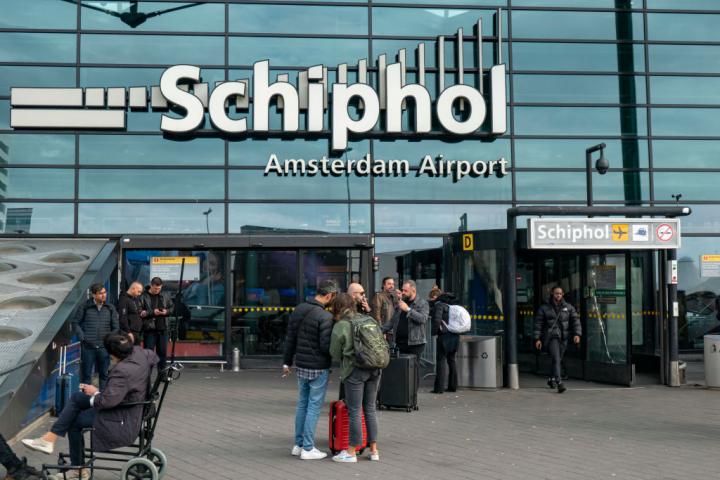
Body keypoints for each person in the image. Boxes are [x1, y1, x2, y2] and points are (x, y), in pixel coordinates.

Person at [22, 332, 158, 480]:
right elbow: (154, 357)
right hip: (130, 407)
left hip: (121, 416)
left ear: (112, 354)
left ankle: (78, 470)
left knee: (74, 423)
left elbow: (106, 402)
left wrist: (95, 392)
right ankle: (49, 438)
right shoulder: (141, 354)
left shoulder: (123, 371)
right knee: (77, 398)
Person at [282, 279, 338, 460]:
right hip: (318, 367)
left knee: (302, 405)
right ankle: (308, 448)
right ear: (329, 295)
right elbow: (325, 346)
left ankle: (298, 445)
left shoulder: (299, 309)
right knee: (313, 407)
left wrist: (286, 362)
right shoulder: (325, 317)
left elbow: (290, 337)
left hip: (301, 365)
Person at [329, 293, 381, 463]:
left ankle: (351, 452)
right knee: (370, 409)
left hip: (355, 370)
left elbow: (334, 353)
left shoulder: (342, 325)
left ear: (337, 307)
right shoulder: (368, 319)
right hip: (375, 368)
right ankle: (374, 450)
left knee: (355, 411)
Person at [382, 280, 428, 396]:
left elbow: (423, 319)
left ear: (413, 290)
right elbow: (392, 321)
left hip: (415, 343)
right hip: (400, 342)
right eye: (402, 290)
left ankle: (412, 396)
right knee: (400, 369)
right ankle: (401, 394)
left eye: (405, 290)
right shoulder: (401, 303)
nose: (403, 292)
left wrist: (408, 309)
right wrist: (379, 330)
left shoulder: (422, 303)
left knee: (413, 370)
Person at [534, 285, 582, 394]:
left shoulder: (568, 307)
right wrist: (537, 339)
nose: (558, 295)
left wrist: (577, 334)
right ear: (552, 293)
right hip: (551, 337)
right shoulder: (544, 308)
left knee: (558, 359)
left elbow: (575, 321)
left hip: (564, 338)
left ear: (563, 294)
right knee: (556, 358)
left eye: (560, 293)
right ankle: (559, 383)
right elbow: (538, 324)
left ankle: (551, 379)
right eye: (556, 293)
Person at [72, 283, 118, 390]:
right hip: (88, 347)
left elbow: (116, 327)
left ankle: (103, 398)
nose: (104, 295)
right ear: (94, 295)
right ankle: (85, 398)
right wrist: (82, 337)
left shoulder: (110, 308)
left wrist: (109, 340)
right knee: (86, 376)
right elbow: (75, 323)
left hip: (104, 348)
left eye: (105, 292)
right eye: (100, 293)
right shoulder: (84, 306)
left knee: (104, 375)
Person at [428, 287, 459, 394]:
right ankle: (453, 386)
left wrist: (433, 332)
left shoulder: (439, 305)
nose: (431, 300)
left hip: (444, 336)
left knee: (441, 361)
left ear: (436, 297)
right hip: (455, 335)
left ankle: (439, 388)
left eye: (432, 298)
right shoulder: (452, 305)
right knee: (452, 360)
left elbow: (437, 320)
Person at [141, 277, 173, 370]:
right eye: (155, 288)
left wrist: (166, 312)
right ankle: (146, 375)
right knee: (149, 354)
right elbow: (140, 311)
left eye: (159, 288)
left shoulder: (165, 295)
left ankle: (162, 375)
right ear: (151, 285)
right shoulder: (143, 296)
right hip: (150, 329)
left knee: (162, 353)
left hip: (163, 329)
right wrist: (152, 312)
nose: (157, 290)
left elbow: (172, 308)